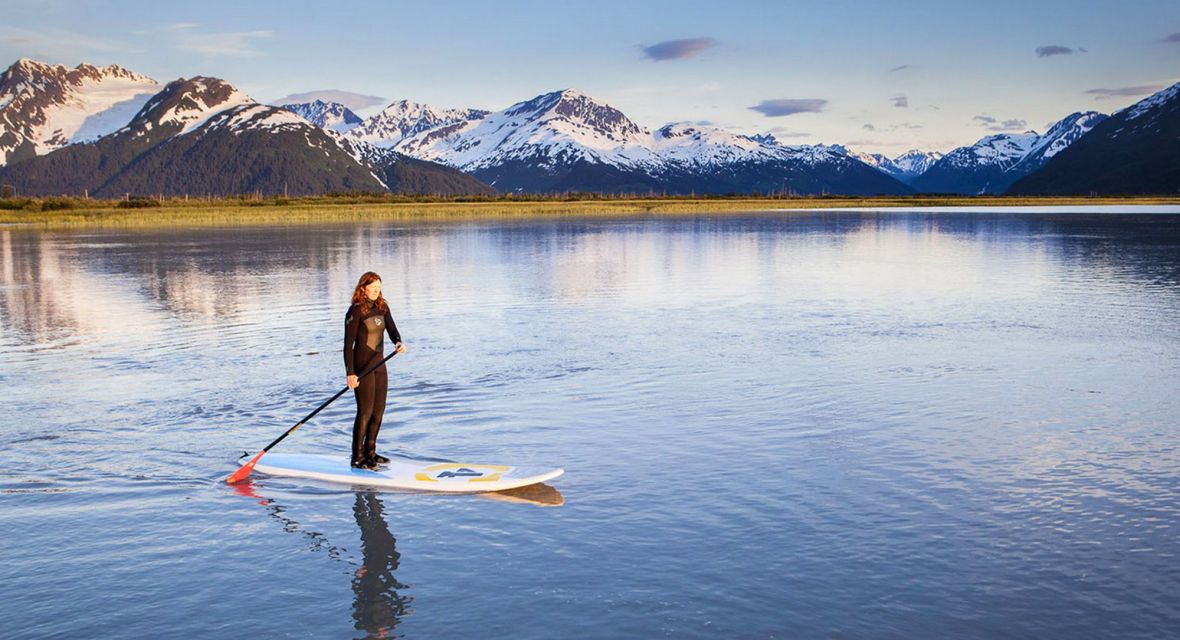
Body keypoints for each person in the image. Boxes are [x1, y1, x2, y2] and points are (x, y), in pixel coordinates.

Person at [343, 272, 405, 470]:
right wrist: (350, 373)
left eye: (379, 287)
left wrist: (398, 342)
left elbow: (392, 330)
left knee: (378, 412)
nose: (376, 291)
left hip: (379, 365)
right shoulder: (356, 311)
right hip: (362, 367)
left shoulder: (382, 306)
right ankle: (357, 456)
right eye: (373, 288)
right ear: (363, 288)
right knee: (365, 412)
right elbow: (348, 345)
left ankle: (370, 452)